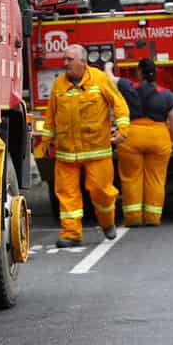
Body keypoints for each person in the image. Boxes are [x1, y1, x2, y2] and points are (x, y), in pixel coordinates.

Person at [37, 44, 130, 248]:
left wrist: (122, 130)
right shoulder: (59, 85)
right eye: (64, 59)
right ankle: (71, 234)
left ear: (82, 61)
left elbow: (119, 104)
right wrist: (45, 143)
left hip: (96, 151)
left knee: (101, 191)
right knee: (66, 194)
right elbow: (50, 116)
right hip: (66, 153)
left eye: (69, 59)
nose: (65, 63)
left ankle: (107, 223)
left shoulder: (99, 79)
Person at [111, 58, 173, 227]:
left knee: (131, 178)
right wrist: (170, 138)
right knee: (156, 179)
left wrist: (107, 66)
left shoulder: (128, 87)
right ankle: (152, 218)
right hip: (158, 138)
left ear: (139, 73)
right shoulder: (166, 94)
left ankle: (133, 218)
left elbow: (109, 79)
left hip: (131, 137)